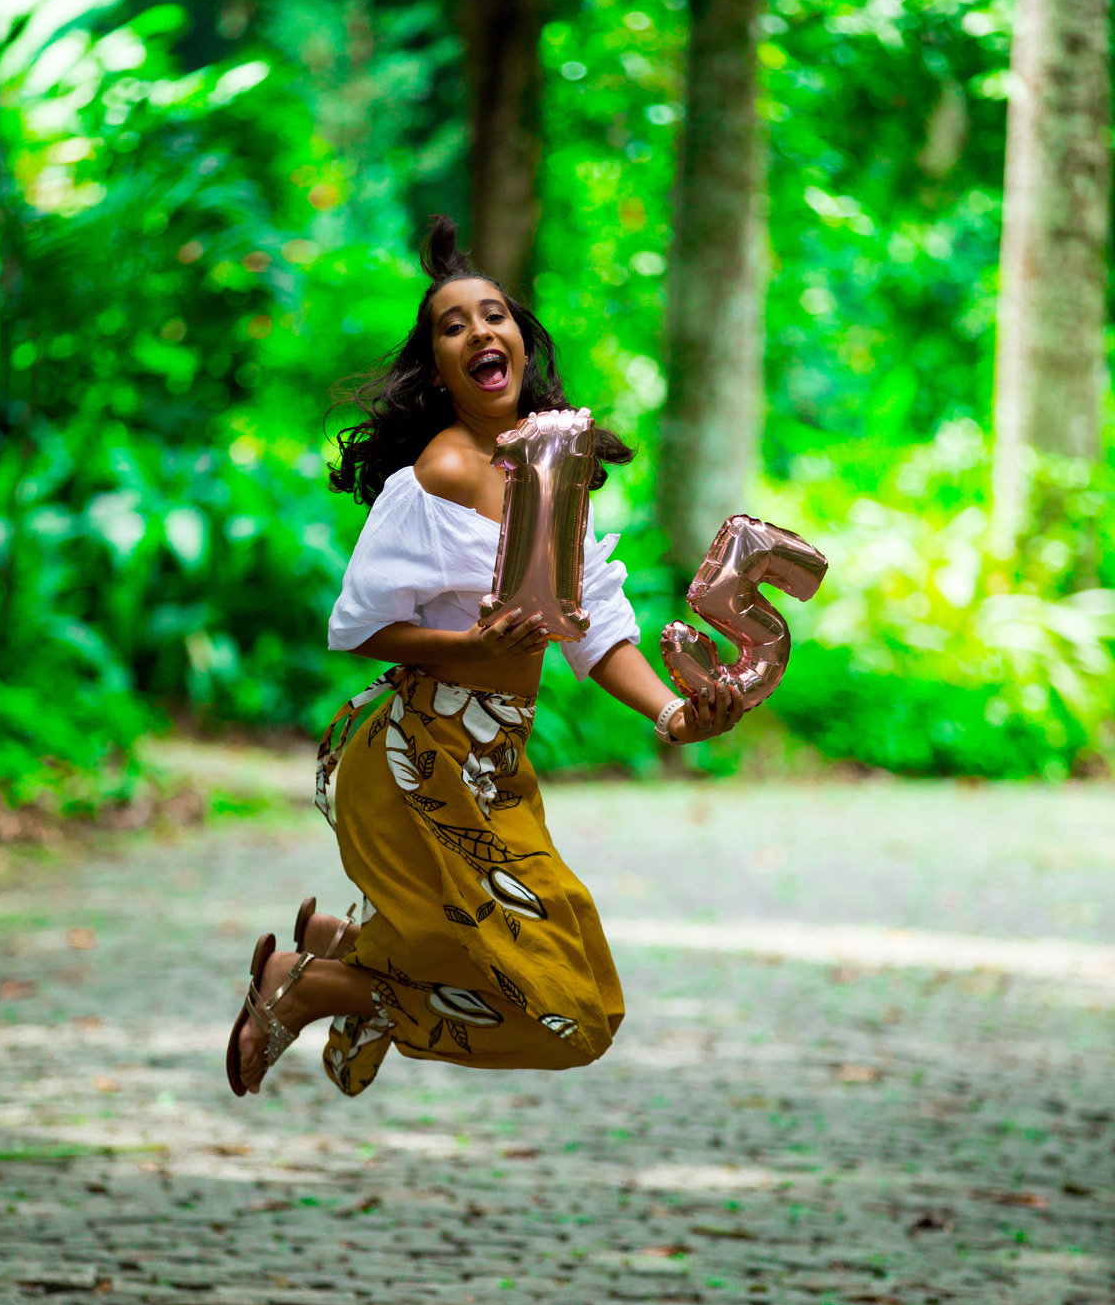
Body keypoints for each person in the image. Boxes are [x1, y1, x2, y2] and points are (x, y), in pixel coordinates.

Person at [227, 217, 743, 1099]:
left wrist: (674, 713)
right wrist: (470, 645)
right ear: (438, 369)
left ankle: (345, 959)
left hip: (494, 763)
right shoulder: (438, 474)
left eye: (494, 315)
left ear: (520, 343)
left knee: (580, 1000)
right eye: (453, 325)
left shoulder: (553, 465)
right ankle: (323, 985)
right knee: (553, 1010)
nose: (478, 332)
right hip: (415, 756)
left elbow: (594, 626)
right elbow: (357, 624)